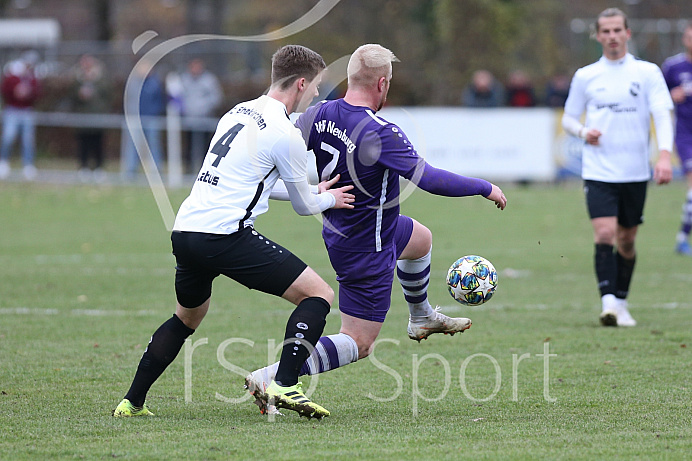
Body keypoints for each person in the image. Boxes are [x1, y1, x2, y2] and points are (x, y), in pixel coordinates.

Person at [246, 44, 506, 415]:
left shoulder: (319, 113)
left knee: (419, 239)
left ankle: (421, 317)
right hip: (369, 246)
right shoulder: (379, 131)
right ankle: (272, 375)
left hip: (351, 228)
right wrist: (484, 186)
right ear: (382, 83)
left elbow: (280, 142)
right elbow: (429, 179)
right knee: (359, 341)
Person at [112, 45, 355, 420]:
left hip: (187, 231)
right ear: (302, 83)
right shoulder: (284, 132)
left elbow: (248, 182)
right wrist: (329, 200)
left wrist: (314, 192)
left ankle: (131, 403)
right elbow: (304, 206)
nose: (316, 94)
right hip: (225, 236)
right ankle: (286, 383)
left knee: (186, 318)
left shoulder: (237, 112)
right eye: (316, 86)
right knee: (319, 294)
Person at [562, 8, 674, 327]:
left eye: (617, 30)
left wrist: (664, 156)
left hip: (635, 172)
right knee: (605, 232)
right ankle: (608, 303)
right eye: (605, 31)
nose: (611, 36)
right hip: (598, 171)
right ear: (597, 36)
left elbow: (662, 114)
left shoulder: (647, 73)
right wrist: (584, 132)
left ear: (627, 33)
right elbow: (569, 118)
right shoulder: (586, 76)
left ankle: (621, 301)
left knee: (626, 240)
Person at [662, 21, 692, 256]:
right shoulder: (673, 67)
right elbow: (658, 98)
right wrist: (671, 96)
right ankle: (682, 239)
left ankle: (682, 237)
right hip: (685, 134)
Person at [122, 59, 166, 180]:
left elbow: (160, 101)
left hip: (152, 119)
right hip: (135, 119)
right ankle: (130, 171)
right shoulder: (133, 82)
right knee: (132, 146)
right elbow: (129, 100)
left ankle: (156, 171)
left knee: (154, 145)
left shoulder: (155, 83)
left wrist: (155, 113)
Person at [70, 54, 112, 181]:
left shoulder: (101, 77)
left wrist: (95, 83)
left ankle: (99, 168)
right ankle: (83, 167)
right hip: (83, 117)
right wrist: (80, 93)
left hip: (98, 116)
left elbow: (109, 93)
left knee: (98, 143)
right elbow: (71, 95)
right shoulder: (77, 78)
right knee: (83, 144)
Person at [0, 52, 41, 181]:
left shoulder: (32, 77)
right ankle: (3, 162)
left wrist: (28, 93)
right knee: (8, 137)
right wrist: (15, 90)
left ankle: (28, 165)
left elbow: (38, 93)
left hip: (27, 111)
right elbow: (5, 90)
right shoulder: (12, 75)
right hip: (12, 110)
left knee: (28, 140)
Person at [180, 58, 223, 173]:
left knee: (205, 147)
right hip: (189, 120)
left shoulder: (209, 80)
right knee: (188, 147)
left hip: (205, 120)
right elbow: (179, 97)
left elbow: (216, 98)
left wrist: (203, 108)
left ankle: (205, 170)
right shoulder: (184, 80)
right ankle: (188, 170)